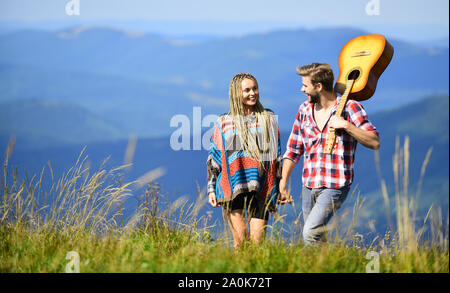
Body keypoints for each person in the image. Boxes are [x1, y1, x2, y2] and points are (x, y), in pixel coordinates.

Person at [279, 63, 380, 245]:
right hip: (309, 184)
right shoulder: (304, 110)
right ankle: (329, 265)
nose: (302, 89)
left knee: (310, 233)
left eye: (305, 86)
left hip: (335, 185)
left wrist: (347, 126)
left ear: (319, 87)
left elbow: (374, 141)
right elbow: (293, 149)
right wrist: (283, 182)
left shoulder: (350, 107)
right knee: (318, 237)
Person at [207, 73, 283, 249]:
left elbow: (277, 156)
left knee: (257, 245)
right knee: (241, 242)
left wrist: (280, 186)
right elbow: (214, 158)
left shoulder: (268, 119)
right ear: (236, 93)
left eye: (255, 88)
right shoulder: (224, 122)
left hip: (262, 185)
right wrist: (211, 189)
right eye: (247, 90)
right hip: (233, 186)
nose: (252, 93)